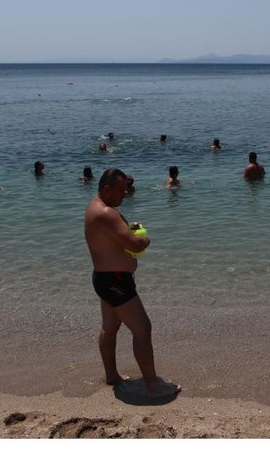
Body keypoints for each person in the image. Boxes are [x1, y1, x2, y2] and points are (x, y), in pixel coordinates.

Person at [84, 167, 181, 398]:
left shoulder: (95, 207)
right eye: (120, 191)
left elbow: (114, 237)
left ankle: (112, 376)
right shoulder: (106, 213)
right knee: (142, 328)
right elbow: (136, 246)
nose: (124, 195)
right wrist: (144, 239)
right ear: (106, 189)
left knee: (110, 327)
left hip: (104, 278)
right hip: (116, 281)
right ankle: (153, 386)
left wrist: (128, 230)